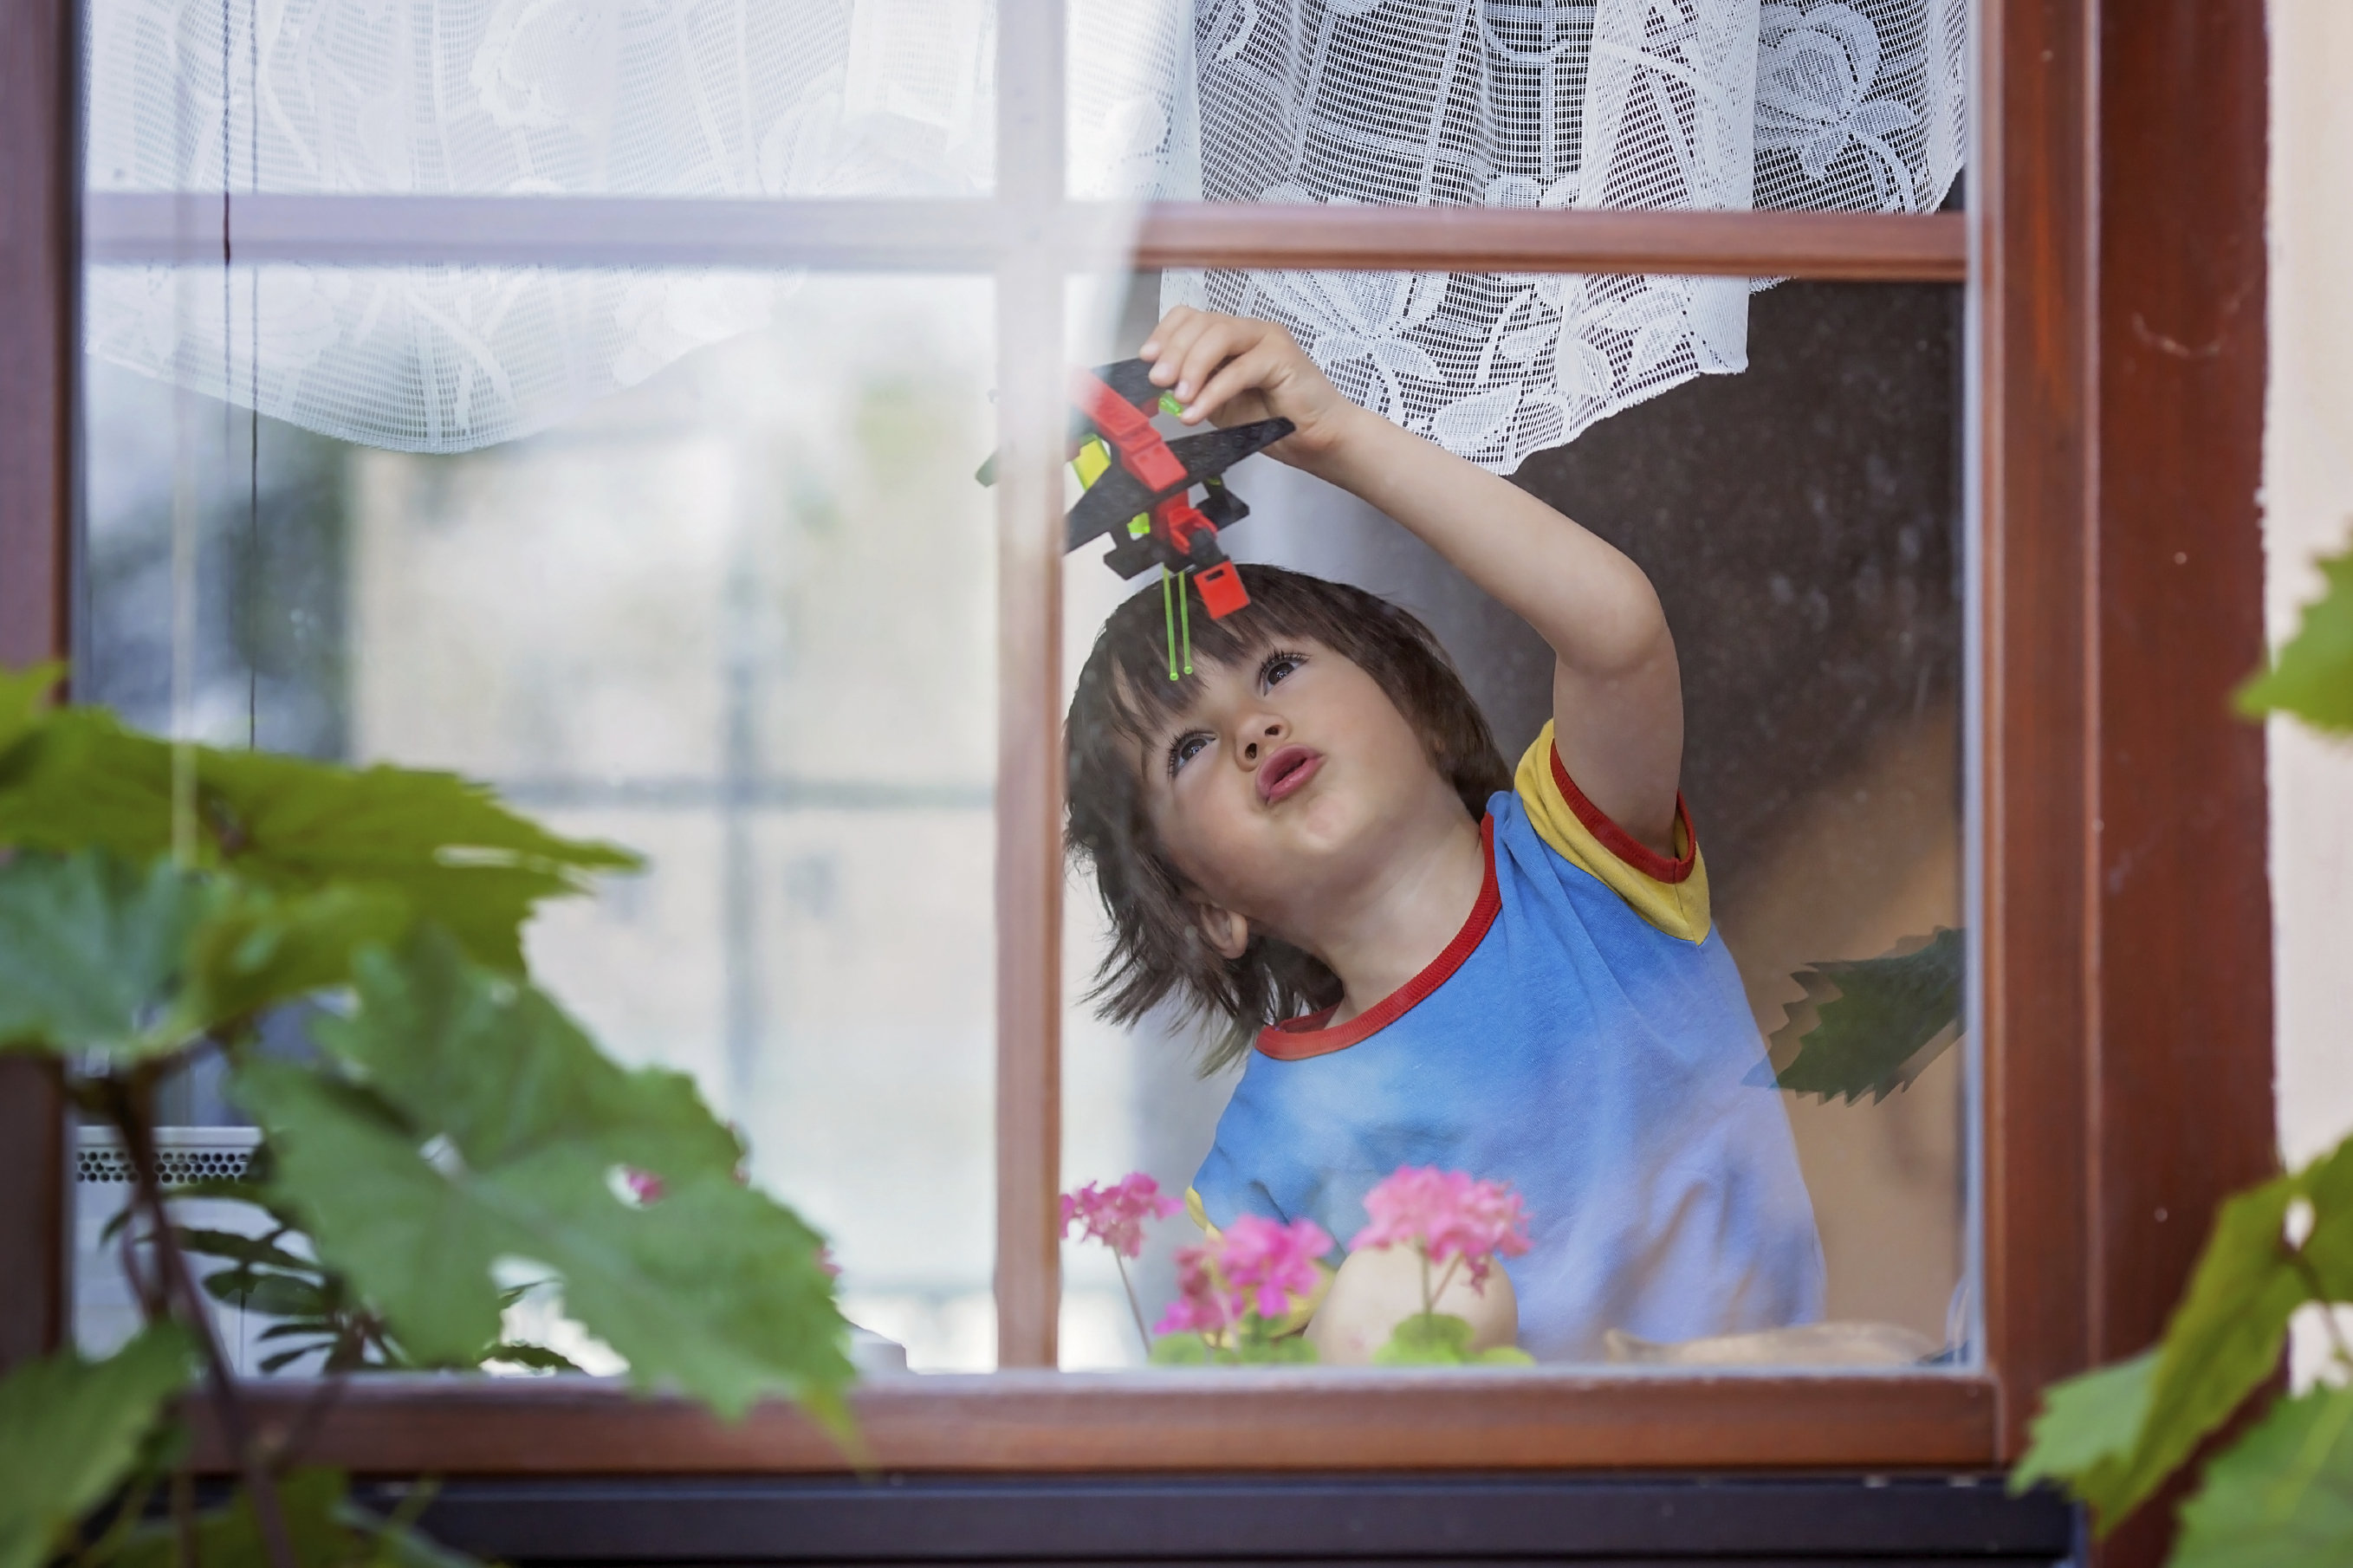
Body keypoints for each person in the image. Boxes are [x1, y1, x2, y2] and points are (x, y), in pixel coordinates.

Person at [1065, 308, 1825, 1363]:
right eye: (1187, 750)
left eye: (1279, 669)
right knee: (1393, 1299)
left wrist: (1333, 434)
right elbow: (1258, 1434)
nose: (1252, 729)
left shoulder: (1579, 866)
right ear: (1206, 908)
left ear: (1413, 703)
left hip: (1772, 1459)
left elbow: (1615, 632)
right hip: (1507, 1516)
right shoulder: (1266, 1167)